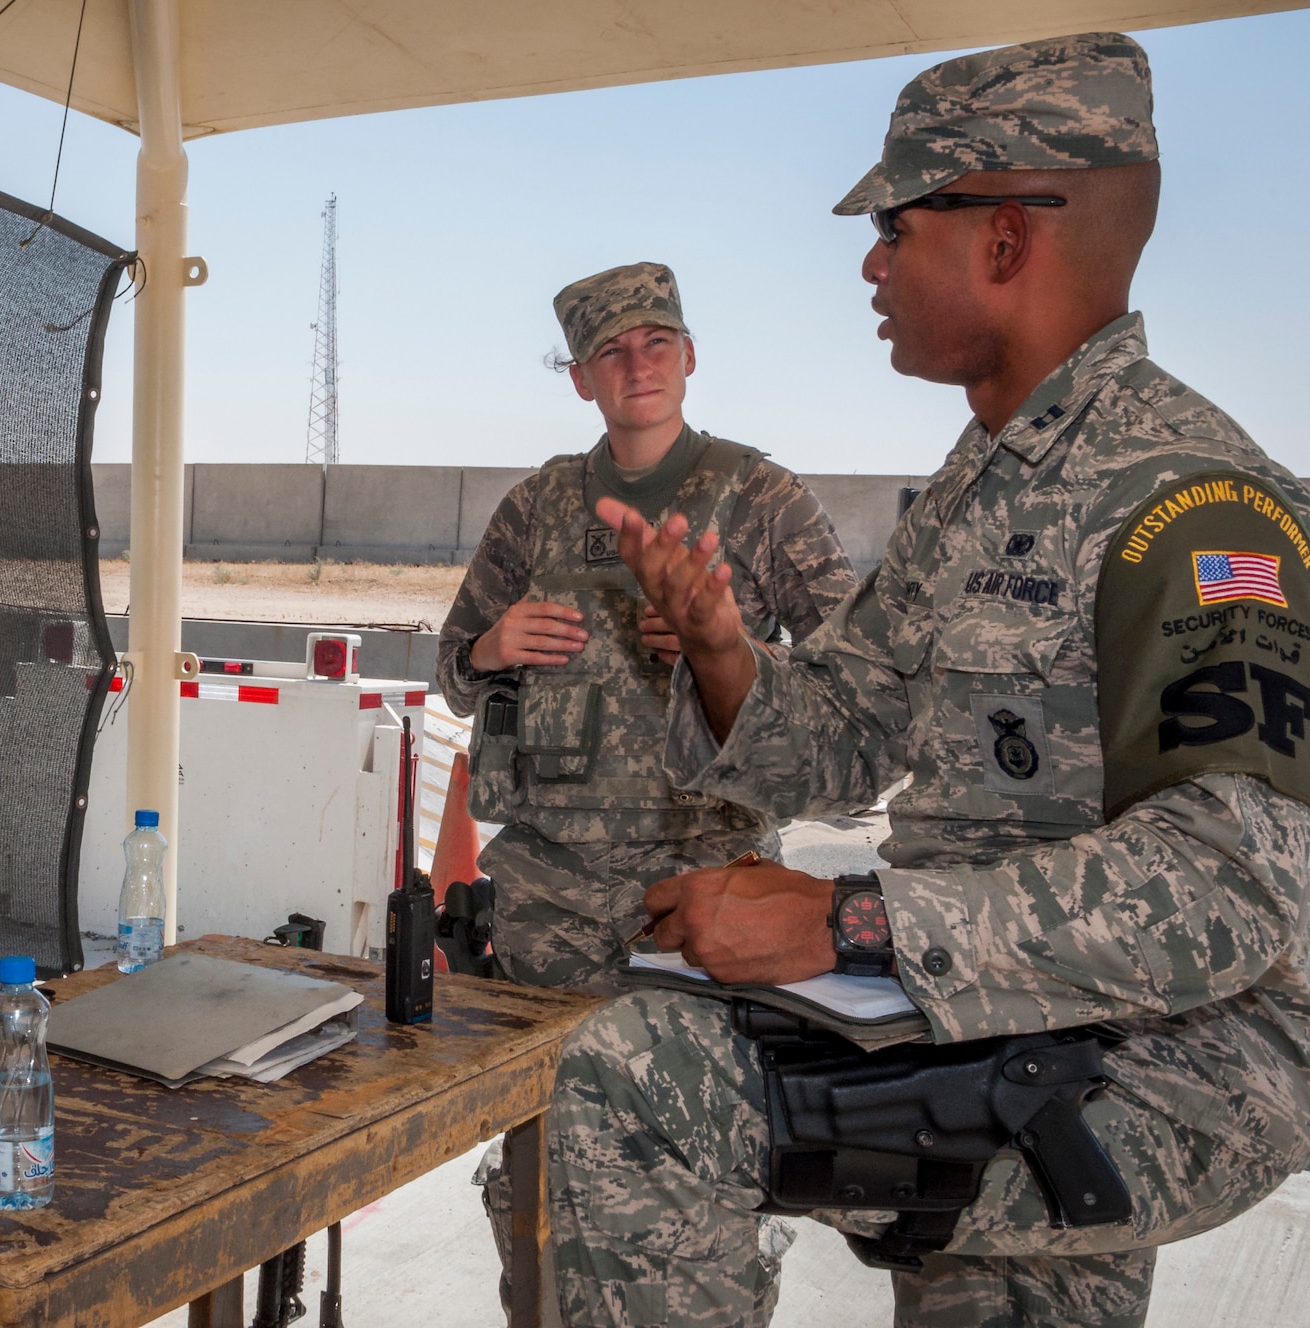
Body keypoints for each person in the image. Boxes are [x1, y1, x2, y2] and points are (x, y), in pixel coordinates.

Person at [552, 32, 1310, 1328]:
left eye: (896, 227)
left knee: (638, 1081)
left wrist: (848, 926)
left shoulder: (1198, 502)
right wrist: (727, 648)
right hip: (993, 1007)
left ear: (1004, 240)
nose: (871, 262)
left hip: (1175, 1054)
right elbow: (842, 732)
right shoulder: (985, 486)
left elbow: (1235, 885)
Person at [436, 261, 856, 996]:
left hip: (704, 898)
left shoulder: (763, 499)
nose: (637, 366)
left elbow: (854, 690)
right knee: (548, 1103)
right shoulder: (534, 508)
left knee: (705, 1103)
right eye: (610, 352)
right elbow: (451, 678)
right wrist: (489, 648)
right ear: (581, 380)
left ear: (689, 357)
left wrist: (734, 650)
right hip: (549, 901)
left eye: (657, 342)